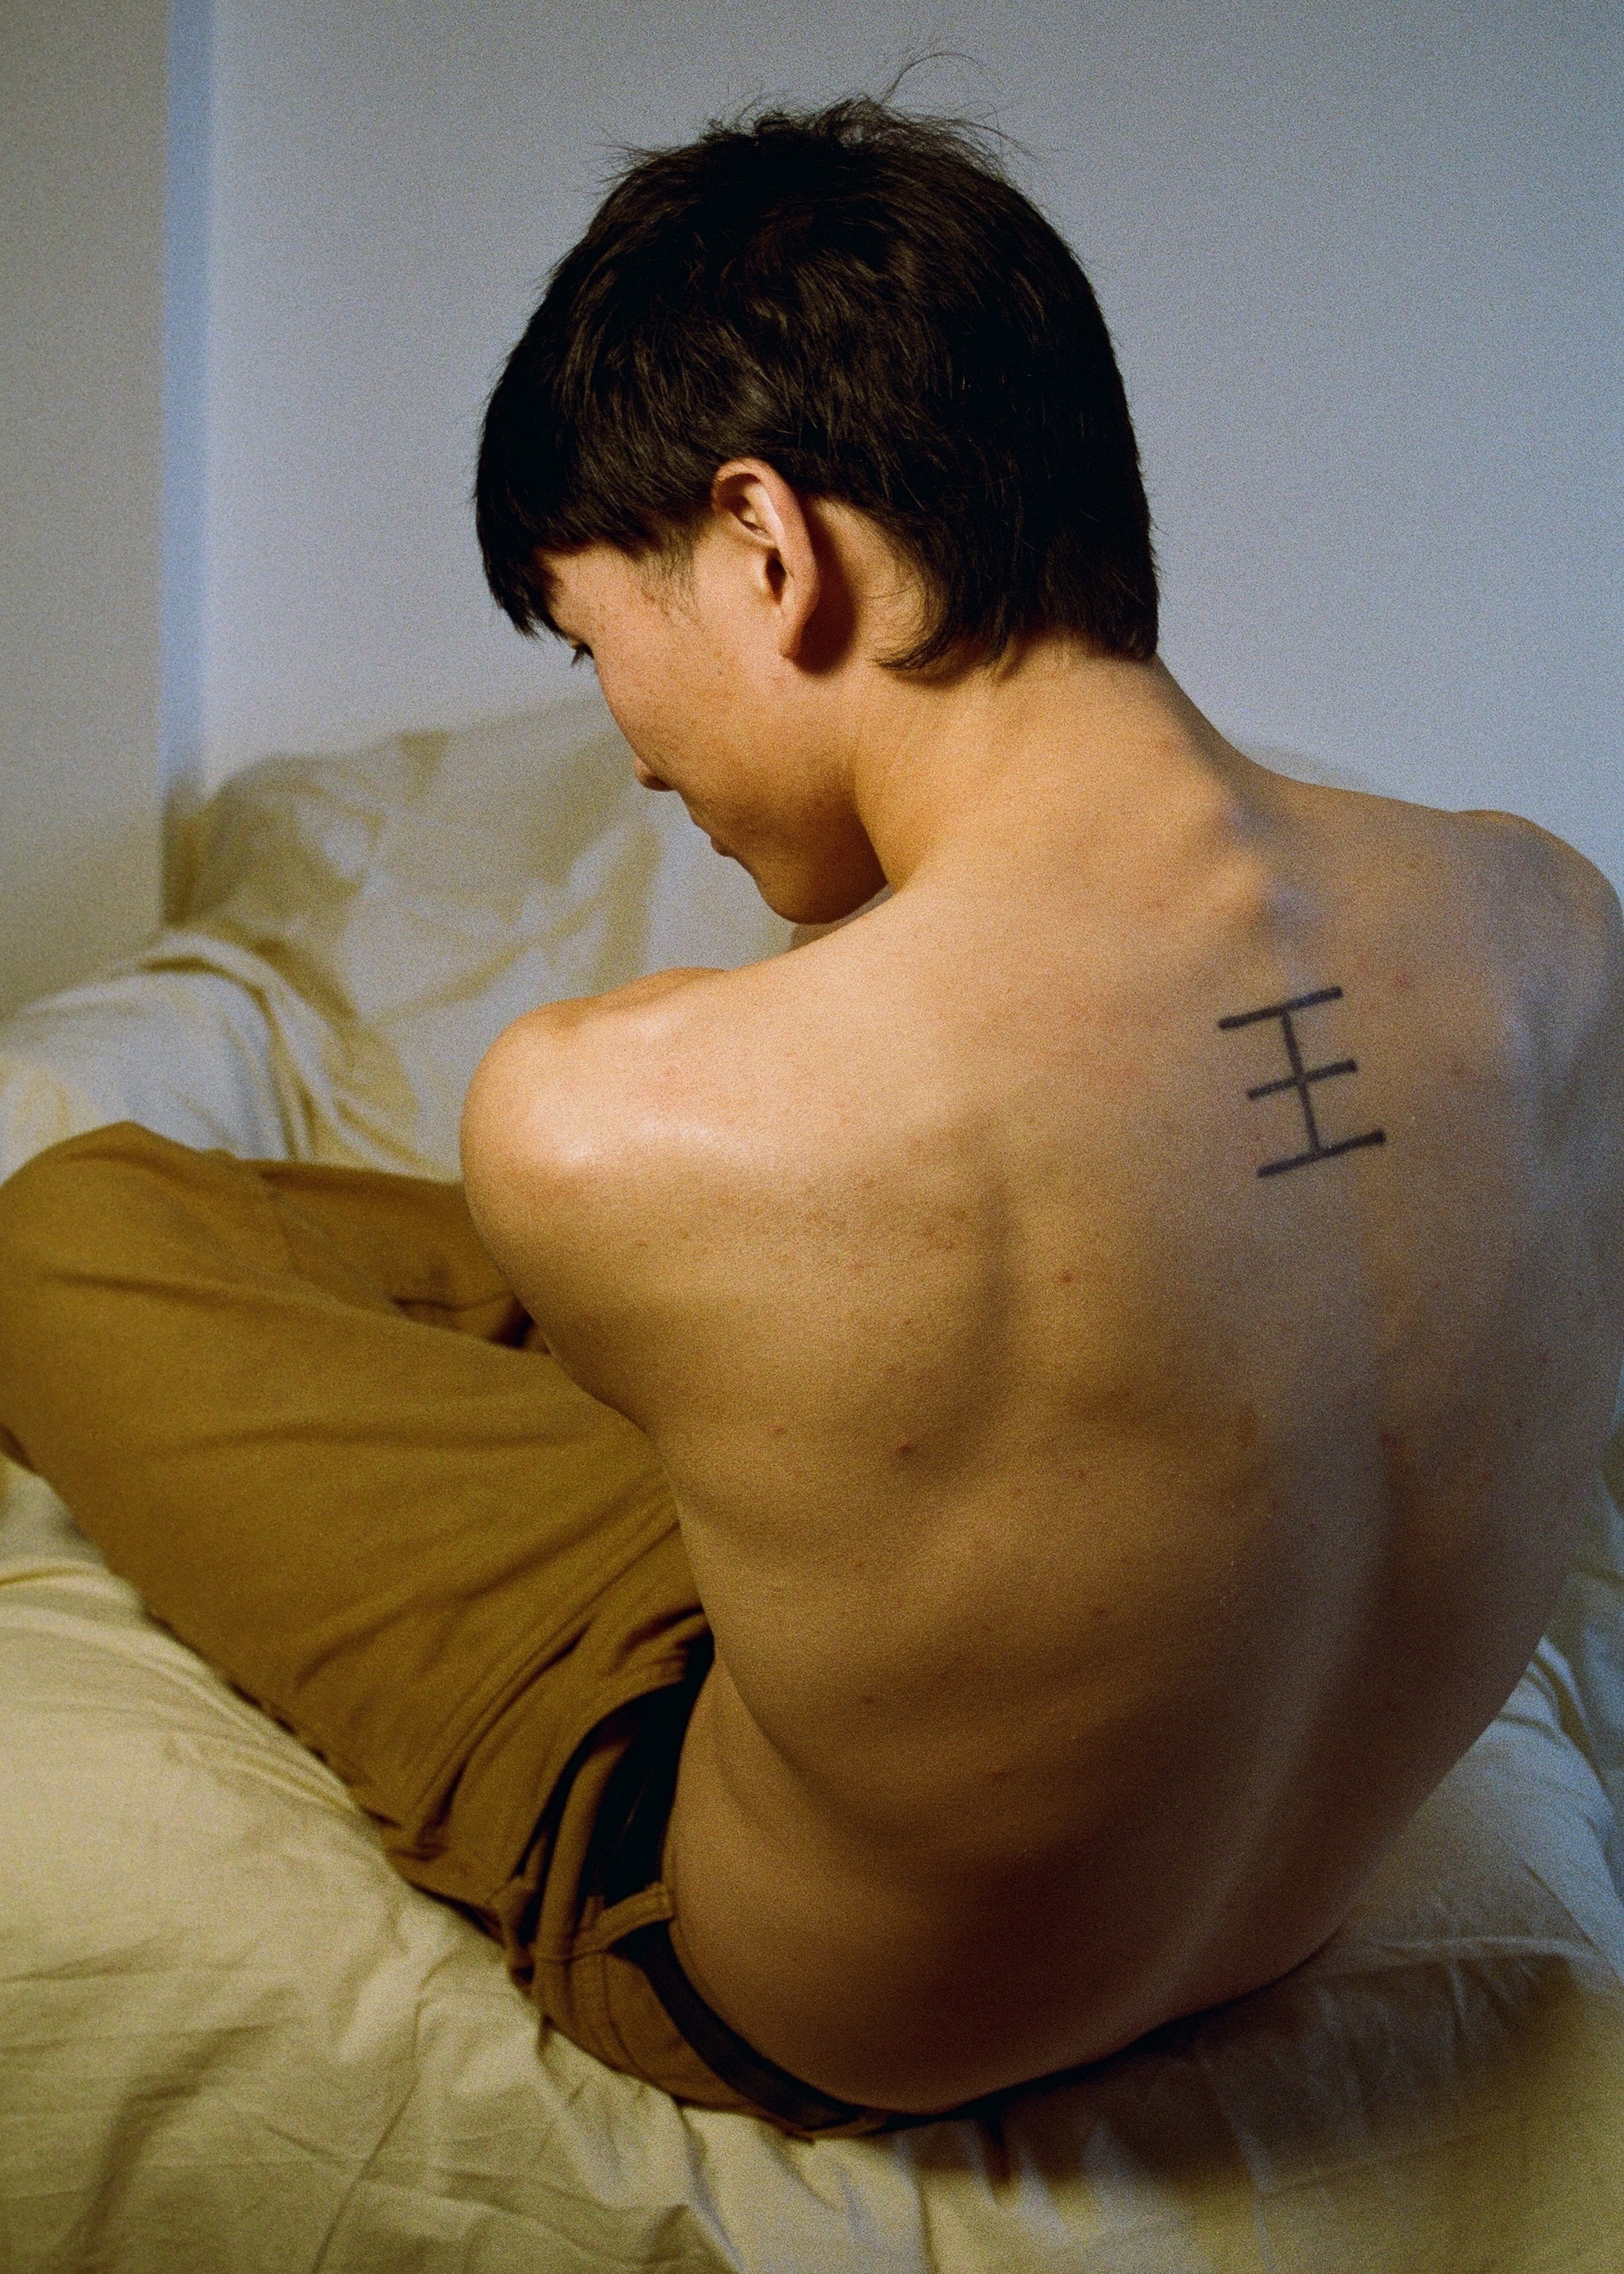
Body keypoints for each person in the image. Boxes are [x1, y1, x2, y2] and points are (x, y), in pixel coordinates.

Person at [1, 97, 1620, 2136]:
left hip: (806, 1997)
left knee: (69, 1219)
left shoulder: (608, 1116)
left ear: (766, 547)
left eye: (596, 642)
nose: (631, 749)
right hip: (1265, 1900)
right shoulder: (1549, 927)